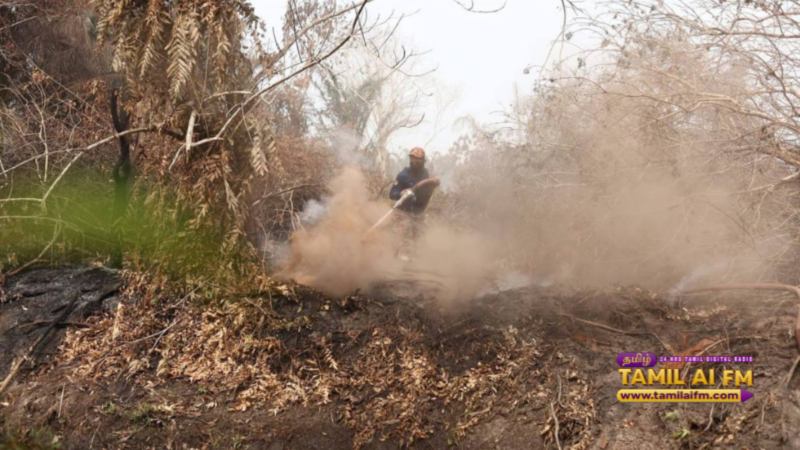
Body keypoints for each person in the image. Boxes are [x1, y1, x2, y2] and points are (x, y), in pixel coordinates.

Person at [389, 147, 440, 258]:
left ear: (423, 160)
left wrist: (434, 184)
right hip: (403, 213)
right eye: (412, 158)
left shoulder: (426, 174)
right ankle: (396, 264)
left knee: (421, 244)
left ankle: (416, 265)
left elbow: (427, 190)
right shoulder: (403, 175)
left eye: (417, 158)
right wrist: (400, 193)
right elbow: (392, 193)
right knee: (402, 243)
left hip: (418, 213)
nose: (414, 161)